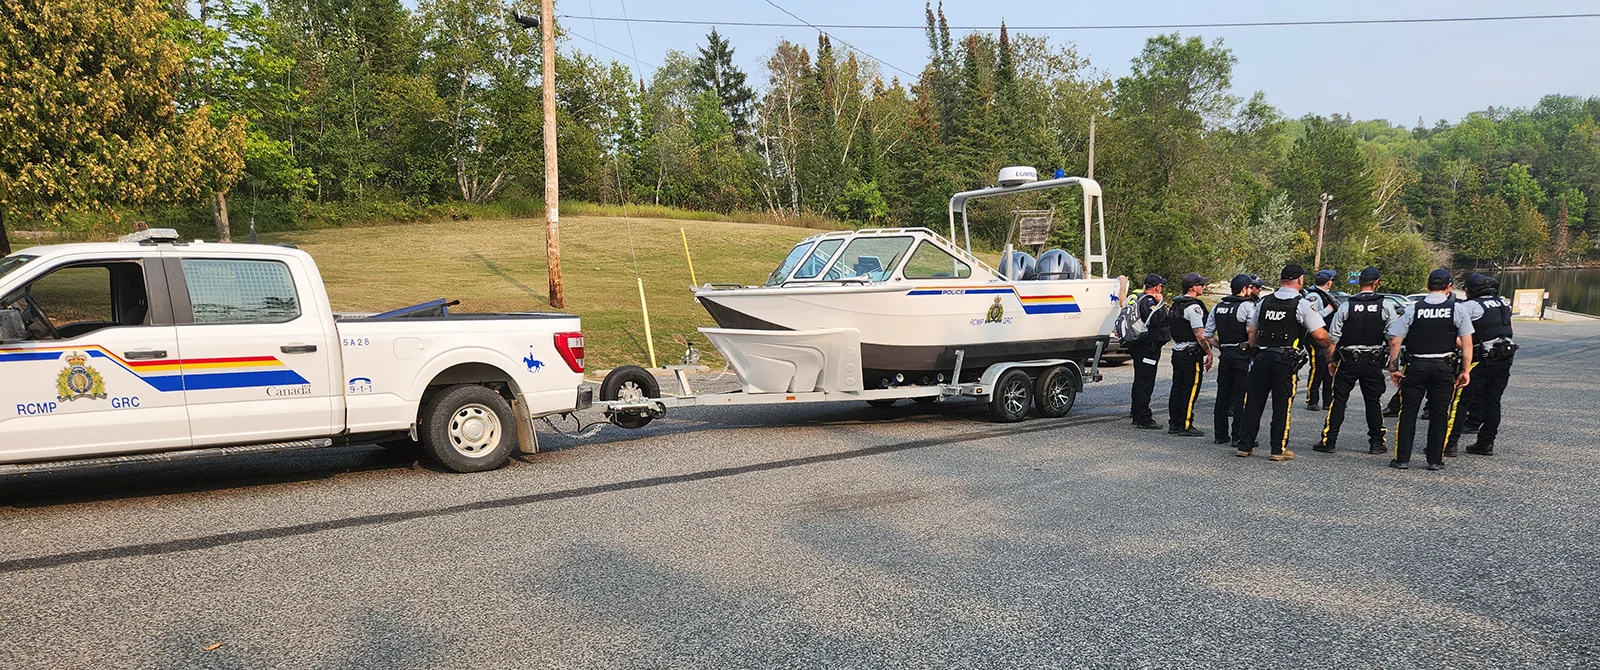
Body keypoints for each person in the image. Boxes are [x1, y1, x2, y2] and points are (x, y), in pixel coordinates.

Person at [1235, 264, 1333, 462]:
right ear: (1300, 280)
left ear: (1281, 280)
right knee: (1282, 405)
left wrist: (1253, 352)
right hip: (1285, 360)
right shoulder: (1302, 304)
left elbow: (1252, 331)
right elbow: (1320, 335)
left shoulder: (1264, 302)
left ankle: (1244, 446)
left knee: (1253, 402)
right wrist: (1331, 348)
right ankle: (1277, 449)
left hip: (1262, 357)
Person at [1385, 269, 1474, 471]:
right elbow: (1467, 344)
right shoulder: (1457, 309)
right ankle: (1434, 460)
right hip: (1444, 367)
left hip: (1415, 366)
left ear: (1427, 286)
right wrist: (1465, 370)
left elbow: (1395, 340)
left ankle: (1402, 459)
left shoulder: (1414, 309)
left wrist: (1394, 368)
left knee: (1408, 412)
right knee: (1440, 413)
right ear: (1449, 287)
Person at [1312, 267, 1397, 455]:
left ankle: (1329, 441)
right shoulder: (1386, 306)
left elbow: (1333, 337)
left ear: (1360, 283)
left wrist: (1331, 361)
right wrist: (1393, 364)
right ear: (1376, 283)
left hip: (1348, 359)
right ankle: (1376, 442)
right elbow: (1393, 339)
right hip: (1373, 360)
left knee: (1339, 400)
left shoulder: (1346, 305)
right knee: (1373, 401)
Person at [1444, 273, 1516, 457]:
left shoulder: (1470, 306)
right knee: (1492, 401)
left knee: (1461, 401)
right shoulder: (1503, 304)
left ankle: (1449, 444)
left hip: (1480, 359)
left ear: (1468, 290)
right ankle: (1486, 443)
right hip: (1504, 357)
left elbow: (1454, 335)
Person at [1206, 274, 1258, 446]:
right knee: (1240, 396)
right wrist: (1251, 348)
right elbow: (1251, 331)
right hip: (1241, 355)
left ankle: (1220, 435)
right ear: (1244, 289)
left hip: (1226, 354)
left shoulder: (1218, 307)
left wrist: (1222, 346)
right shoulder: (1247, 306)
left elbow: (1207, 335)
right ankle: (1238, 435)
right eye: (1250, 287)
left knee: (1223, 395)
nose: (1251, 290)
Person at [1167, 272, 1213, 436]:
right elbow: (1199, 333)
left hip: (1177, 351)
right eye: (1201, 284)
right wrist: (1208, 351)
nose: (1203, 287)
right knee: (1190, 389)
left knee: (1177, 388)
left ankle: (1174, 423)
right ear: (1193, 287)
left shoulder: (1175, 305)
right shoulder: (1193, 307)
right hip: (1191, 354)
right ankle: (1185, 424)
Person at [1129, 274, 1170, 429]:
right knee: (1145, 381)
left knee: (1140, 379)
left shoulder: (1138, 299)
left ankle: (1136, 412)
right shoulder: (1149, 301)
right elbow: (1156, 320)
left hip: (1141, 346)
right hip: (1147, 348)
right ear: (1157, 287)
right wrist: (1161, 304)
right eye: (1161, 286)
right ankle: (1143, 417)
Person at [1303, 270, 1339, 410]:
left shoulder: (1326, 295)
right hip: (1315, 339)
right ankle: (1312, 400)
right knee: (1317, 369)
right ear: (1328, 281)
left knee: (1328, 369)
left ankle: (1327, 400)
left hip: (1326, 337)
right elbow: (1312, 316)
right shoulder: (1314, 296)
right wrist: (1329, 310)